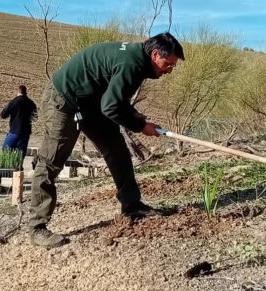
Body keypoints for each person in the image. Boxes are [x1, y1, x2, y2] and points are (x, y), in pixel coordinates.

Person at [29, 32, 184, 248]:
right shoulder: (132, 63)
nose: (169, 70)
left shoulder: (137, 61)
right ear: (156, 54)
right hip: (63, 99)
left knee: (117, 149)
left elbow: (114, 98)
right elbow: (111, 107)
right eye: (168, 64)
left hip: (89, 104)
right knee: (52, 159)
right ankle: (37, 228)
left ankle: (132, 206)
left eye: (173, 67)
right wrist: (141, 127)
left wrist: (133, 114)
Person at [0, 85, 37, 155]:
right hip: (26, 132)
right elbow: (35, 117)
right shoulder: (31, 103)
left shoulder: (13, 102)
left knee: (6, 151)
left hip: (15, 131)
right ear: (26, 92)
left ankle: (8, 166)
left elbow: (3, 115)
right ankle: (19, 166)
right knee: (20, 154)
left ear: (18, 91)